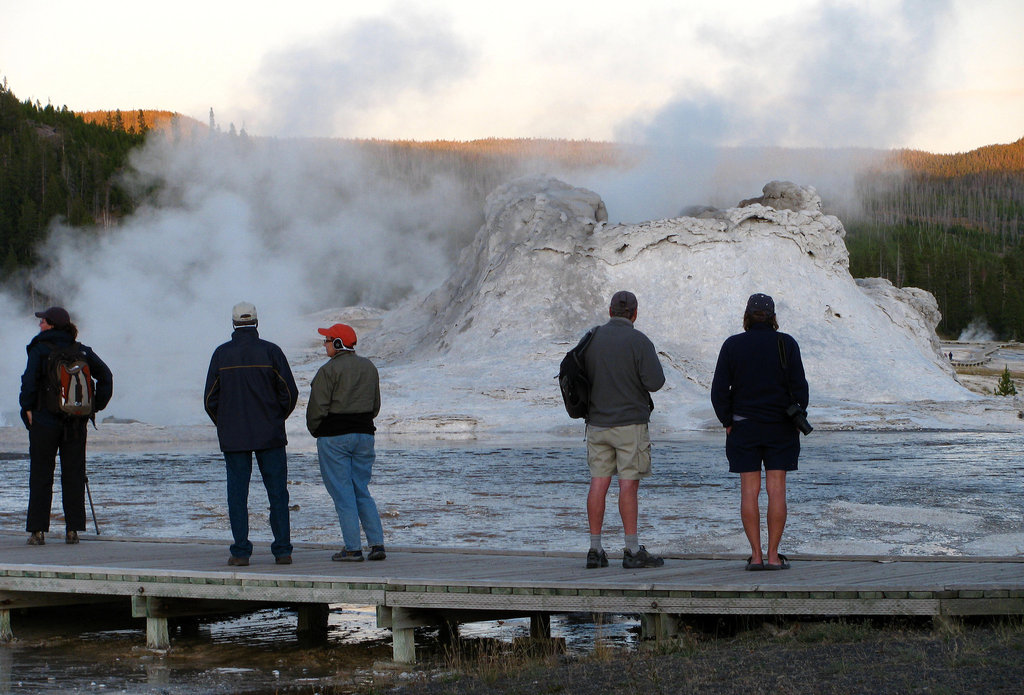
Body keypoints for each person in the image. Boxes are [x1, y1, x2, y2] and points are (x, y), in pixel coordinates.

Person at [710, 293, 808, 571]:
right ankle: (774, 557)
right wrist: (797, 414)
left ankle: (755, 556)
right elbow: (800, 389)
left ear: (747, 315)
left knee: (749, 492)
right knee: (776, 491)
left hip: (744, 426)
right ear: (773, 316)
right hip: (781, 427)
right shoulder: (786, 343)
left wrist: (727, 420)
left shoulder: (733, 345)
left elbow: (719, 391)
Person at [204, 302, 298, 567]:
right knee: (277, 493)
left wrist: (224, 423)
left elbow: (210, 398)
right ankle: (282, 551)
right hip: (270, 435)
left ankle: (241, 552)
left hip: (234, 438)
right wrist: (276, 418)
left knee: (237, 495)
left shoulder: (221, 354)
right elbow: (289, 393)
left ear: (233, 324)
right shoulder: (271, 351)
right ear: (256, 322)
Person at [582, 291, 666, 569]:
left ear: (609, 311)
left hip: (597, 423)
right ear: (635, 313)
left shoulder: (592, 338)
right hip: (630, 424)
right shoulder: (639, 341)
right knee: (627, 486)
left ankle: (595, 549)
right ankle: (631, 550)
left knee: (598, 484)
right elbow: (655, 382)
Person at [19, 306, 113, 545]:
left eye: (43, 322)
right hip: (76, 421)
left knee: (41, 474)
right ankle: (73, 530)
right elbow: (106, 377)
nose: (39, 325)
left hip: (44, 419)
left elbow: (29, 382)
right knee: (74, 474)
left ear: (51, 325)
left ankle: (38, 532)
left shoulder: (39, 348)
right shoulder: (81, 350)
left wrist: (27, 408)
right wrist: (94, 407)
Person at [306, 323, 386, 562]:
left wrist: (316, 431)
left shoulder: (327, 371)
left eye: (328, 340)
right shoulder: (369, 367)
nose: (324, 344)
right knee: (361, 490)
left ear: (338, 344)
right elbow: (375, 406)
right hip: (365, 437)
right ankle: (377, 544)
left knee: (343, 494)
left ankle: (352, 549)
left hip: (334, 439)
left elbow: (316, 409)